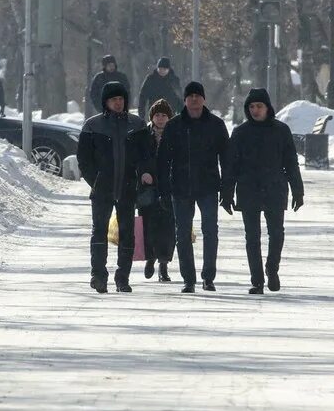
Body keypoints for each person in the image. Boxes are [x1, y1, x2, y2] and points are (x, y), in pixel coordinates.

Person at [221, 89, 304, 294]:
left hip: (274, 187)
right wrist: (227, 193)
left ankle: (272, 269)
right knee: (252, 236)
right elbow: (231, 166)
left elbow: (291, 162)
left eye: (259, 106)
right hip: (249, 188)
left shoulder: (281, 130)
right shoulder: (240, 133)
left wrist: (298, 191)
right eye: (251, 107)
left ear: (267, 107)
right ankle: (257, 280)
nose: (255, 110)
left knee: (276, 233)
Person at [157, 81, 229, 293]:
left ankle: (208, 277)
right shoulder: (174, 125)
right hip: (180, 187)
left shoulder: (216, 125)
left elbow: (226, 158)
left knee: (210, 231)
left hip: (208, 186)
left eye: (198, 96)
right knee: (182, 234)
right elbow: (163, 160)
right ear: (185, 100)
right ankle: (189, 279)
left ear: (204, 99)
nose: (194, 100)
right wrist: (163, 190)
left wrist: (227, 189)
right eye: (190, 96)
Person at [77, 81, 147, 293]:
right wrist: (95, 180)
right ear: (105, 102)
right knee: (99, 231)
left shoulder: (137, 125)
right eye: (113, 99)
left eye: (120, 99)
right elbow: (84, 159)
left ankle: (122, 278)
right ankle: (98, 275)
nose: (118, 103)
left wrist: (141, 176)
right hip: (102, 188)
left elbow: (146, 156)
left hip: (128, 187)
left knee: (127, 233)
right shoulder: (92, 126)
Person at [131, 99, 177, 282]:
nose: (160, 118)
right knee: (147, 225)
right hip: (147, 187)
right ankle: (150, 258)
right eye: (157, 115)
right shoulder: (142, 135)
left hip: (169, 187)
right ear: (152, 117)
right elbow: (136, 158)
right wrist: (143, 173)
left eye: (164, 115)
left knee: (167, 228)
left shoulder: (174, 135)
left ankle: (163, 265)